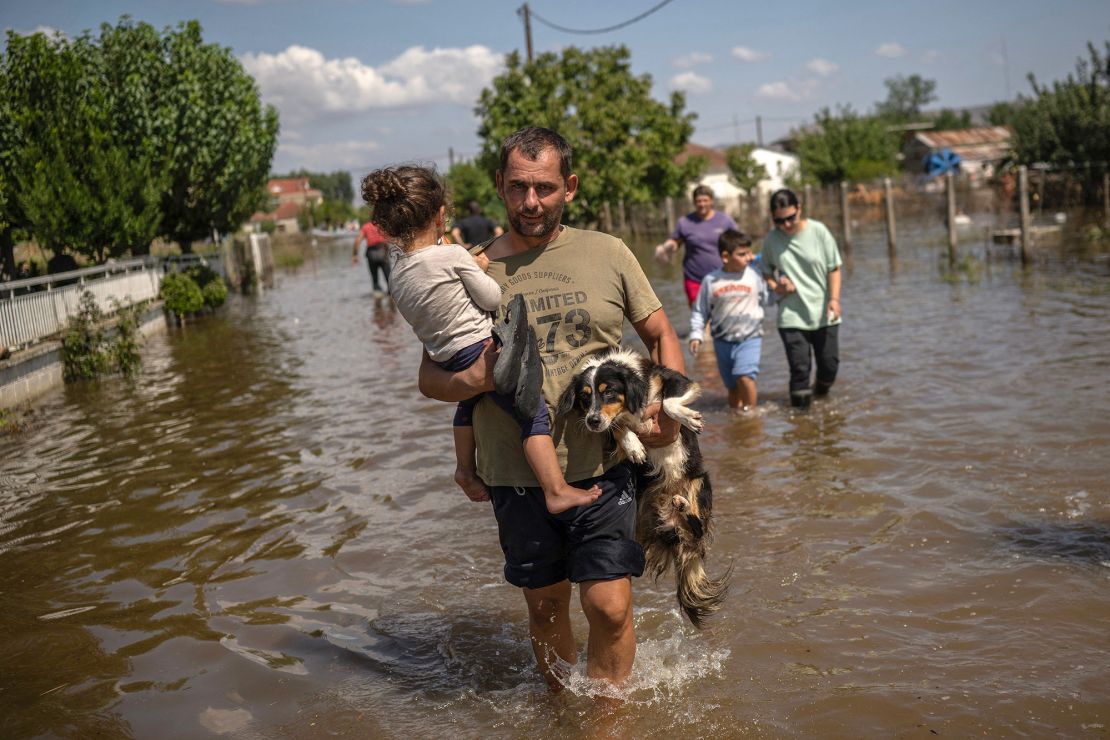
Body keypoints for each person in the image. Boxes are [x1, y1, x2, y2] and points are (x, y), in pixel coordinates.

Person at [417, 127, 684, 697]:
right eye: (517, 188)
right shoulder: (469, 269)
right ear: (499, 186)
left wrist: (664, 412)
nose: (530, 203)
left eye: (544, 188)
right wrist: (479, 377)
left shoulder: (608, 252)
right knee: (544, 612)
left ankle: (606, 725)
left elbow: (660, 332)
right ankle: (564, 709)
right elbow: (430, 379)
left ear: (570, 187)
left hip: (605, 461)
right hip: (515, 475)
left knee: (609, 608)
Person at [361, 164, 600, 516]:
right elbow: (491, 299)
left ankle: (464, 469)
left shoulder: (397, 275)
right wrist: (480, 269)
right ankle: (556, 489)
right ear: (441, 215)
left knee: (468, 404)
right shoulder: (453, 254)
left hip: (444, 354)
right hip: (480, 346)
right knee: (533, 413)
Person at [760, 188, 842, 409]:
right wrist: (777, 286)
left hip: (824, 313)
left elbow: (834, 268)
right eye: (779, 221)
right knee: (800, 370)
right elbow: (766, 270)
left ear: (799, 209)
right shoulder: (771, 240)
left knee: (829, 367)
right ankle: (802, 429)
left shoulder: (819, 231)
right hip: (791, 315)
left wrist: (834, 299)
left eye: (790, 218)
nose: (786, 224)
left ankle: (822, 397)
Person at [688, 229, 772, 413]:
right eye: (742, 254)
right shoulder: (711, 281)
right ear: (725, 256)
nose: (749, 257)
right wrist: (696, 335)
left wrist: (780, 287)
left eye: (749, 252)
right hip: (722, 341)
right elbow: (700, 311)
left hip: (750, 337)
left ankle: (751, 415)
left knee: (745, 377)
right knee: (732, 387)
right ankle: (736, 419)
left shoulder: (755, 276)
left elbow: (768, 298)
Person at [654, 184, 738, 305]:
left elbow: (738, 242)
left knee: (721, 314)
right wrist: (666, 247)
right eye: (698, 201)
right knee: (699, 316)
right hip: (694, 278)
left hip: (721, 277)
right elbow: (676, 241)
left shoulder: (725, 220)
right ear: (693, 202)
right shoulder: (685, 222)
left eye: (705, 200)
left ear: (711, 201)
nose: (702, 204)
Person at [352, 218, 391, 292]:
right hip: (383, 252)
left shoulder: (366, 227)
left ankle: (377, 297)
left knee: (375, 280)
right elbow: (390, 239)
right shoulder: (382, 225)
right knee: (389, 279)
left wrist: (355, 255)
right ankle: (392, 299)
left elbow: (357, 241)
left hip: (371, 254)